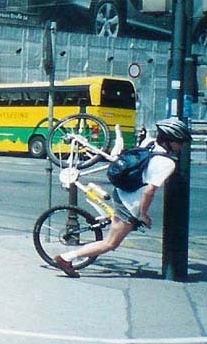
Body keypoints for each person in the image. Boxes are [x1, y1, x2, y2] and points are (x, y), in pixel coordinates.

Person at [54, 118, 191, 279]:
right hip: (129, 204)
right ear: (170, 141)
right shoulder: (167, 163)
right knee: (110, 243)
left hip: (121, 191)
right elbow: (149, 191)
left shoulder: (149, 143)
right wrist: (143, 215)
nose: (181, 146)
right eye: (180, 142)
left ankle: (107, 218)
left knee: (115, 229)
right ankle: (66, 258)